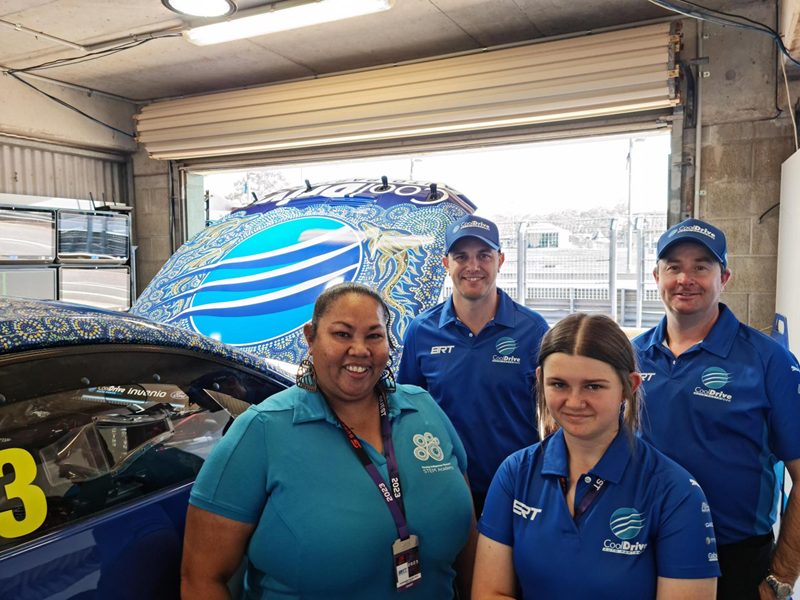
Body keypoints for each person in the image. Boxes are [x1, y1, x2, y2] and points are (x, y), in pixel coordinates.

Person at [181, 282, 476, 599]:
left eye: (374, 336)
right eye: (342, 334)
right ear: (310, 337)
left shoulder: (423, 408)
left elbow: (469, 536)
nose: (360, 350)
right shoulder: (262, 431)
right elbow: (201, 578)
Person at [473, 313, 720, 600]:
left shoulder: (675, 492)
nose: (575, 402)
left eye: (593, 386)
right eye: (559, 384)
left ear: (630, 387)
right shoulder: (515, 474)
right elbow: (490, 592)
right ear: (540, 380)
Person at [634, 218, 800, 600]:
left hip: (736, 561)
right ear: (655, 275)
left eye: (701, 267)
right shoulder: (631, 356)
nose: (684, 278)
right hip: (642, 551)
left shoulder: (769, 360)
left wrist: (779, 579)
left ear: (724, 277)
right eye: (673, 267)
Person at [397, 214, 548, 516]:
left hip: (517, 487)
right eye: (461, 256)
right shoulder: (421, 330)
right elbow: (407, 413)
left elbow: (554, 410)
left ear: (500, 260)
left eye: (484, 255)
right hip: (443, 486)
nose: (473, 266)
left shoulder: (533, 329)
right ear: (446, 263)